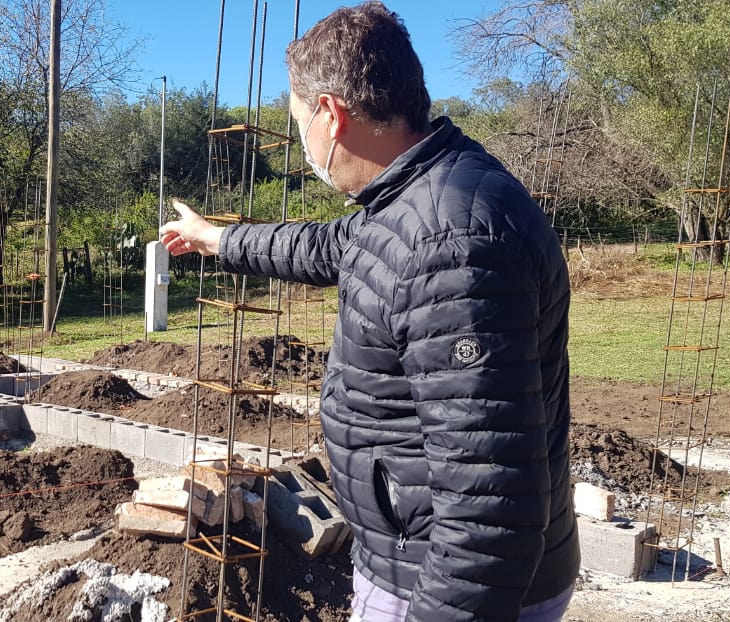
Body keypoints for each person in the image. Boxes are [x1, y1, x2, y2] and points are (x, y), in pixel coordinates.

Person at [159, 3, 579, 621]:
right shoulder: (418, 197)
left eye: (299, 121)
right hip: (409, 554)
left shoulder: (449, 243)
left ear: (331, 115)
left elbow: (487, 501)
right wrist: (218, 240)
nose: (304, 141)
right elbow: (326, 246)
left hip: (437, 583)